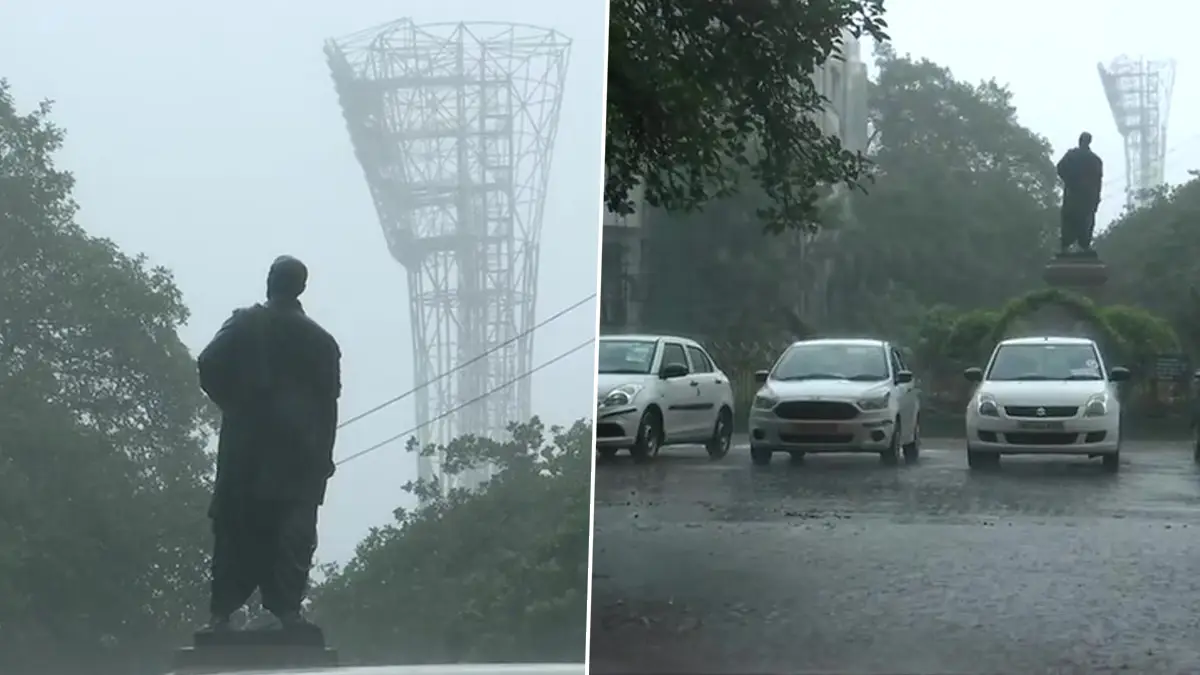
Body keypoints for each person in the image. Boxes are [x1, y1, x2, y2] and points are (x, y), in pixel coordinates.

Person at [196, 255, 342, 633]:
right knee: (290, 534)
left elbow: (208, 364)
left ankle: (221, 614)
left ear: (270, 281)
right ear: (301, 288)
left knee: (235, 529)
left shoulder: (245, 323)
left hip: (247, 450)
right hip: (298, 455)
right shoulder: (322, 341)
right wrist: (323, 454)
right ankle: (288, 612)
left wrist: (235, 404)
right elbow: (329, 407)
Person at [1056, 132, 1104, 255]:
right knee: (1081, 220)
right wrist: (1096, 196)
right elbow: (1098, 181)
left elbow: (1060, 168)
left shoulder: (1073, 156)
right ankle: (1080, 246)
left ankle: (1068, 246)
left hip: (1076, 194)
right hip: (1085, 196)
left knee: (1075, 220)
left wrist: (1069, 180)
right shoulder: (1095, 160)